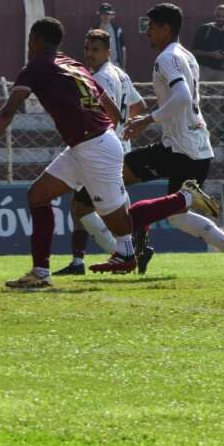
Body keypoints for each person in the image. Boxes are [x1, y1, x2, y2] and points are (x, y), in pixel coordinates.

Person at [0, 17, 220, 289]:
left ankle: (184, 197)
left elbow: (8, 112)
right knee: (38, 196)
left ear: (35, 40)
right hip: (89, 145)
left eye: (30, 40)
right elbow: (107, 103)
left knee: (122, 223)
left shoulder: (36, 67)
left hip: (94, 148)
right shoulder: (73, 64)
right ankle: (40, 273)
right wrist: (113, 131)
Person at [116, 3, 224, 276]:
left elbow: (182, 98)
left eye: (152, 28)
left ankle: (131, 245)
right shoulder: (187, 56)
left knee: (118, 178)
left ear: (166, 29)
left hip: (181, 149)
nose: (148, 34)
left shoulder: (167, 58)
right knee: (177, 216)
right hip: (194, 146)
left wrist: (147, 119)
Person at [54, 29, 148, 276]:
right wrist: (126, 128)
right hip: (118, 150)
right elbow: (139, 106)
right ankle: (81, 261)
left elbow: (102, 115)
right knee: (100, 207)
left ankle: (124, 254)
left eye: (95, 49)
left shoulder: (102, 79)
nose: (90, 54)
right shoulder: (120, 74)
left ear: (108, 51)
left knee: (82, 208)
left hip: (102, 152)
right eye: (87, 49)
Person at [191, 4, 224, 83]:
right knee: (200, 95)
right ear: (214, 15)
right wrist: (211, 54)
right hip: (203, 70)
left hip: (220, 72)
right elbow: (194, 51)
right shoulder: (205, 29)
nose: (221, 18)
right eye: (218, 15)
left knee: (218, 95)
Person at [95, 3, 126, 67]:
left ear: (112, 16)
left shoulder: (117, 30)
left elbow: (123, 48)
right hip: (99, 66)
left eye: (108, 14)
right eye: (103, 13)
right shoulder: (94, 30)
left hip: (115, 65)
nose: (106, 16)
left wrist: (123, 66)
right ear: (100, 15)